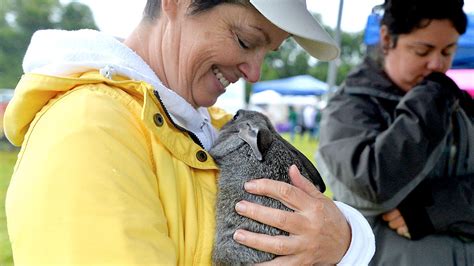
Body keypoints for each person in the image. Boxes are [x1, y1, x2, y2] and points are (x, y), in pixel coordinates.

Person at [3, 0, 375, 265]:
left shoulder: (203, 121)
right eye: (246, 41)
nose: (255, 72)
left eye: (269, 52)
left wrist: (345, 239)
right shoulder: (86, 130)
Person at [316, 0, 474, 265]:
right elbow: (371, 185)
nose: (437, 64)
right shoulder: (349, 108)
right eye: (422, 51)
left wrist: (440, 207)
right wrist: (429, 100)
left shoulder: (457, 106)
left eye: (448, 51)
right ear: (387, 38)